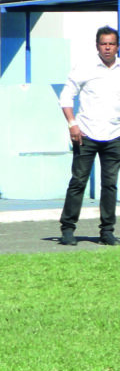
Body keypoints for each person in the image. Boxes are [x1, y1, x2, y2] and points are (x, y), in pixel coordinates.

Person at [58, 26, 120, 246]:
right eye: (103, 43)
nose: (107, 47)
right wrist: (72, 124)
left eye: (111, 43)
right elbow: (66, 97)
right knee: (78, 181)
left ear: (117, 46)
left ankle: (107, 231)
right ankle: (67, 229)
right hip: (86, 134)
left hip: (114, 135)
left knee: (110, 184)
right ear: (97, 46)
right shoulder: (85, 67)